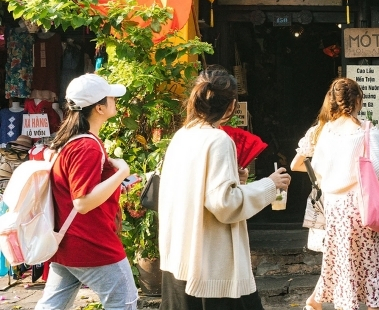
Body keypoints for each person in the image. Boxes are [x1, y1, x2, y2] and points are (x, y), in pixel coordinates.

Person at [158, 67, 291, 310]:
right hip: (211, 266)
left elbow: (196, 189)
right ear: (231, 106)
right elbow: (223, 203)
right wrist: (269, 185)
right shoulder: (218, 140)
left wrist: (236, 181)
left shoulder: (182, 135)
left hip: (179, 256)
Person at [36, 73, 136, 310]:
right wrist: (122, 172)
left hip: (67, 243)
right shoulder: (86, 146)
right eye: (111, 97)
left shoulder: (69, 142)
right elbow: (82, 202)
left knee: (53, 305)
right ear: (99, 108)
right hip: (93, 245)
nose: (115, 100)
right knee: (124, 302)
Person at [304, 77, 379, 310]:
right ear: (357, 100)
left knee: (344, 267)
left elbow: (319, 170)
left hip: (335, 210)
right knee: (370, 265)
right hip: (360, 208)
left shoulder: (326, 132)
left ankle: (331, 302)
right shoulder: (366, 131)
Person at [289, 103, 330, 309]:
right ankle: (315, 300)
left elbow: (295, 164)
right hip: (334, 200)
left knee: (332, 254)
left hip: (322, 199)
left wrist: (318, 173)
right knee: (335, 253)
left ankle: (315, 300)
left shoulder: (316, 131)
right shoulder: (341, 132)